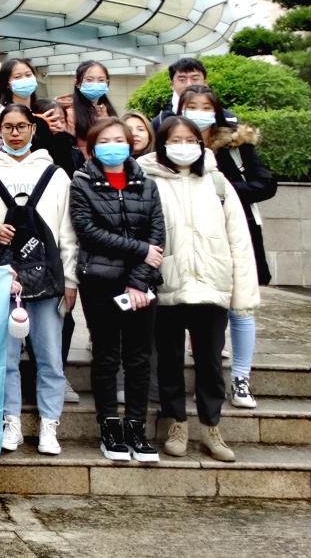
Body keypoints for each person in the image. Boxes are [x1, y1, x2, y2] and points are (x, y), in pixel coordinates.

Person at [139, 117, 259, 462]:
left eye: (190, 139)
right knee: (169, 362)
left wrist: (242, 293)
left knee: (210, 363)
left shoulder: (218, 182)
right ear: (163, 143)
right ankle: (177, 423)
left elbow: (239, 240)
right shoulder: (149, 180)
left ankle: (211, 427)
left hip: (210, 286)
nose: (183, 146)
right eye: (175, 139)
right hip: (168, 286)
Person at [0, 103, 77, 457]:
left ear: (33, 129)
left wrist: (71, 280)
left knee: (50, 357)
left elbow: (68, 232)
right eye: (8, 126)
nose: (15, 133)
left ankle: (49, 424)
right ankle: (11, 421)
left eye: (21, 126)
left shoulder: (56, 175)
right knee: (5, 359)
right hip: (3, 279)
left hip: (48, 281)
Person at [69, 118, 165, 463]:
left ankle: (136, 427)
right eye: (105, 141)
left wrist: (138, 280)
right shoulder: (82, 182)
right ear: (93, 147)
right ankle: (109, 426)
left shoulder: (147, 185)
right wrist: (139, 250)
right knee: (107, 355)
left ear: (131, 144)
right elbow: (87, 230)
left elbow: (157, 236)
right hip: (100, 282)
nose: (113, 146)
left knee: (139, 357)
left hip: (141, 285)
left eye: (119, 140)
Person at [179, 85, 277, 408]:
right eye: (192, 106)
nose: (199, 113)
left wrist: (222, 191)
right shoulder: (176, 143)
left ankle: (241, 378)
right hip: (192, 237)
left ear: (217, 111)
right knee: (204, 311)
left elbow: (266, 184)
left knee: (241, 306)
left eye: (206, 107)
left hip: (237, 232)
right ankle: (208, 380)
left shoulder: (235, 144)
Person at [150, 57, 237, 131]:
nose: (189, 84)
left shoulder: (228, 119)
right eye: (182, 79)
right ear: (172, 85)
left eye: (195, 79)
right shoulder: (160, 122)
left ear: (205, 83)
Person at [56, 61, 119, 155]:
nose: (96, 84)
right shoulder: (68, 114)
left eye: (101, 80)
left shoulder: (107, 111)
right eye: (89, 80)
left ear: (107, 83)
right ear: (77, 83)